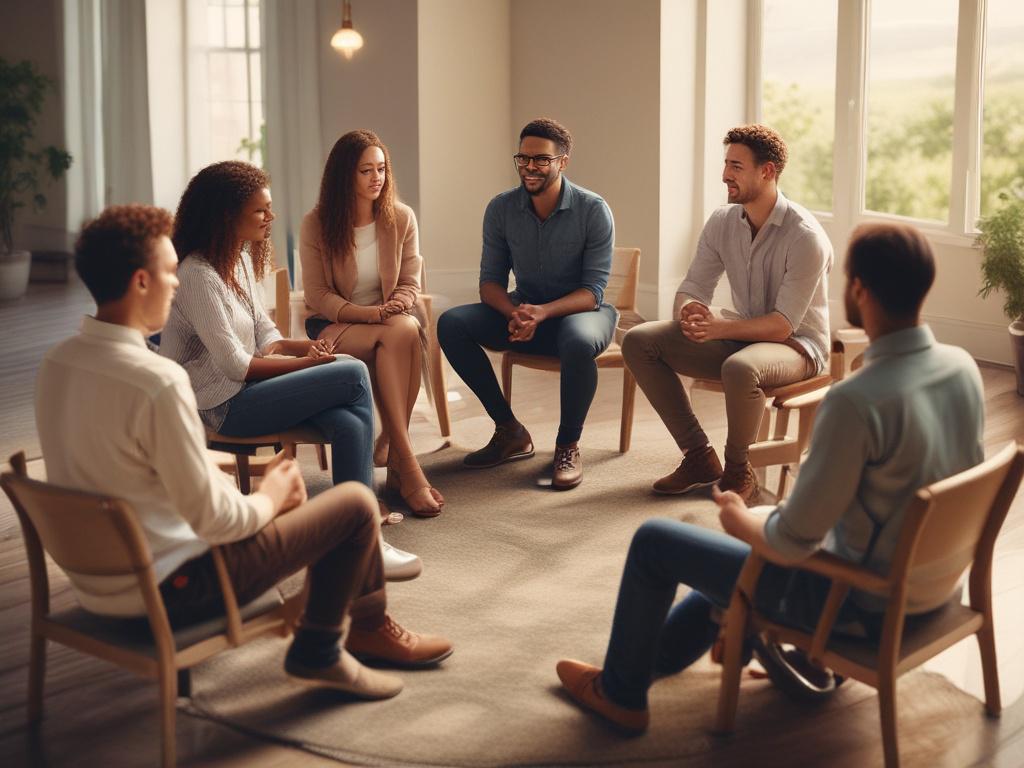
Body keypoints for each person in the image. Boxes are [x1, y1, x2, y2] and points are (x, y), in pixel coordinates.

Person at [555, 222, 984, 733]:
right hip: (935, 590)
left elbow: (790, 543)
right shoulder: (962, 368)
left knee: (659, 540)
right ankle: (657, 661)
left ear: (860, 290)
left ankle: (621, 693)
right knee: (734, 560)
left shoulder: (855, 402)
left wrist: (739, 518)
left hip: (859, 607)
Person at [36, 205, 453, 700]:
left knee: (326, 469)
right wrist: (271, 496)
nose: (177, 283)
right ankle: (331, 645)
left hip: (97, 587)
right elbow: (219, 523)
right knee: (357, 506)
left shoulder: (58, 363)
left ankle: (346, 626)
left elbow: (129, 467)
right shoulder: (157, 382)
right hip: (173, 590)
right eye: (170, 272)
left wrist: (250, 485)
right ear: (142, 281)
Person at [158, 160, 421, 581]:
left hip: (244, 393)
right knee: (352, 373)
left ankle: (359, 539)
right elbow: (235, 365)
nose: (270, 217)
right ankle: (362, 536)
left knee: (347, 420)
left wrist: (306, 348)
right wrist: (307, 365)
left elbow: (265, 332)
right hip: (219, 406)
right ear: (227, 216)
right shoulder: (196, 275)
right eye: (261, 211)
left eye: (270, 208)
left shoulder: (239, 260)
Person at [623, 124, 832, 502]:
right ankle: (699, 456)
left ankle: (738, 470)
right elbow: (691, 288)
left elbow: (783, 325)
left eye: (736, 166)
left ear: (766, 172)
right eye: (726, 164)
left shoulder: (805, 237)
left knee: (741, 368)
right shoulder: (722, 222)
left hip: (798, 347)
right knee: (640, 341)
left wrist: (717, 329)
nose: (725, 176)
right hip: (741, 334)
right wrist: (690, 312)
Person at [437, 117, 618, 490]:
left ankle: (567, 445)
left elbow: (593, 291)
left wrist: (543, 312)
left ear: (562, 162)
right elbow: (490, 283)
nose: (530, 167)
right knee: (452, 323)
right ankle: (509, 431)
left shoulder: (593, 210)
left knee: (578, 341)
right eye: (523, 158)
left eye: (541, 160)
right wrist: (515, 312)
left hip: (581, 314)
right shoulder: (501, 209)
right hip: (525, 311)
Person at [300, 130, 443, 517]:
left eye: (381, 169)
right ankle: (405, 464)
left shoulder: (401, 218)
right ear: (345, 176)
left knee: (405, 330)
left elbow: (409, 281)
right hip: (335, 324)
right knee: (401, 332)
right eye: (366, 170)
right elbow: (318, 296)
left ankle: (397, 451)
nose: (376, 178)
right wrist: (370, 315)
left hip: (388, 322)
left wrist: (394, 305)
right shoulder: (316, 224)